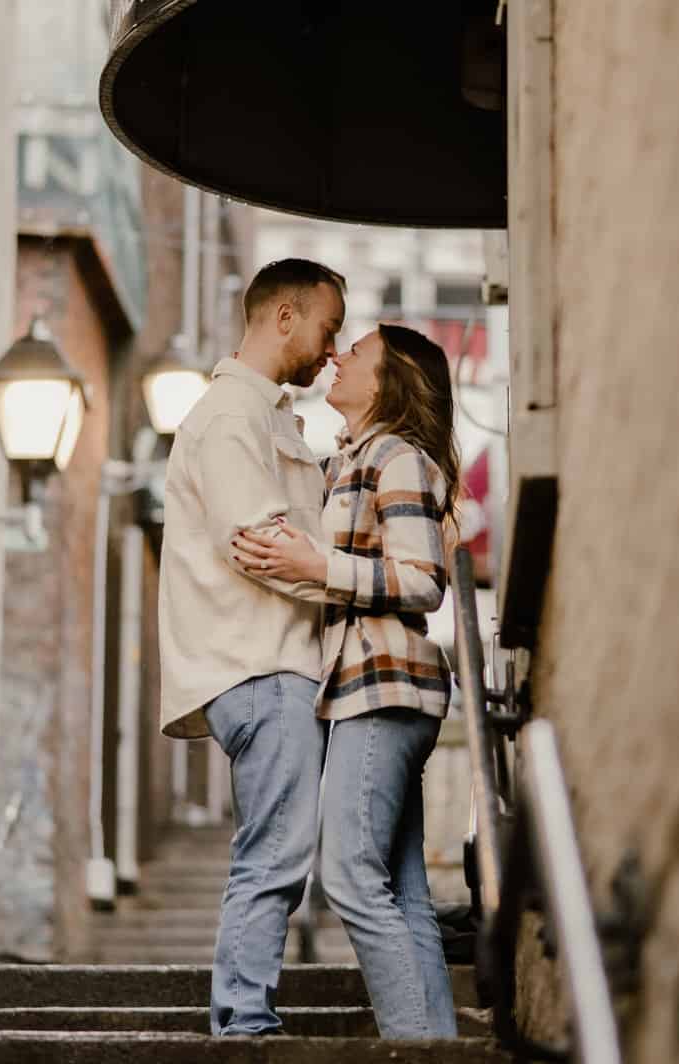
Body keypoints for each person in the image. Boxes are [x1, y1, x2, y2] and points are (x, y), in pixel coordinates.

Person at [231, 324, 460, 1039]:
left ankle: (413, 1048)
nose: (336, 356)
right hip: (369, 688)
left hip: (383, 686)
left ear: (390, 382)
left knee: (353, 880)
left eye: (354, 352)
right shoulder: (355, 459)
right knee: (403, 891)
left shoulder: (396, 457)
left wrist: (316, 567)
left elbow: (425, 582)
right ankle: (437, 1045)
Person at [156, 258, 345, 1036]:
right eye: (328, 330)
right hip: (264, 665)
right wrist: (358, 575)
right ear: (286, 318)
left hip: (265, 665)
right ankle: (242, 1022)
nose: (332, 352)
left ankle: (243, 1014)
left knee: (279, 847)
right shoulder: (233, 416)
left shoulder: (262, 416)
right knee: (276, 851)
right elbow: (261, 546)